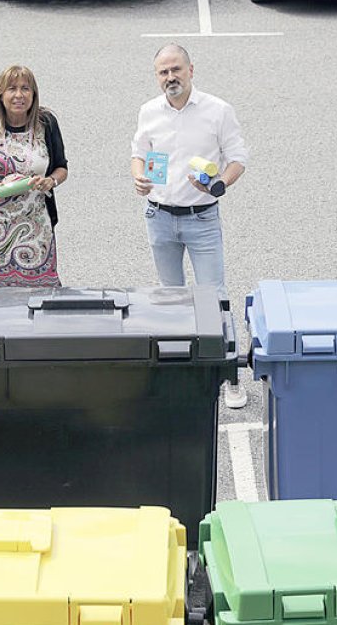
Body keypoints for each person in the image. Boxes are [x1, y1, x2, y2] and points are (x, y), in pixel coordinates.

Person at [130, 43, 250, 408]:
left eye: (176, 69)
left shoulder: (217, 110)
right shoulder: (149, 111)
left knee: (216, 299)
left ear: (191, 70)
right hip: (159, 216)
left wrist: (218, 185)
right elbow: (139, 153)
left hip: (202, 218)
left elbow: (238, 158)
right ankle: (180, 373)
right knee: (171, 300)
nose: (171, 77)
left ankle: (229, 379)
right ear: (157, 76)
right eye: (163, 72)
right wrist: (139, 177)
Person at [0, 65, 68, 287]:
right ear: (0, 95)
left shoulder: (46, 123)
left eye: (25, 88)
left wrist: (51, 181)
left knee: (43, 284)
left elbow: (61, 168)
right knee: (0, 289)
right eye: (12, 89)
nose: (19, 95)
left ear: (34, 94)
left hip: (37, 221)